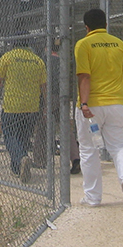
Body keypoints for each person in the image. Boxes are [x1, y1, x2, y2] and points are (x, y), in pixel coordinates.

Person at [74, 8, 123, 210]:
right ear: (106, 25)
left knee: (88, 150)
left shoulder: (84, 44)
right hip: (117, 104)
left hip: (92, 106)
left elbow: (84, 76)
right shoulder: (119, 44)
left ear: (86, 27)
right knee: (120, 146)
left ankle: (93, 197)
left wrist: (84, 103)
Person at [0, 36, 46, 183]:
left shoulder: (8, 57)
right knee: (23, 137)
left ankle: (21, 157)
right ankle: (17, 168)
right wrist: (45, 105)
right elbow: (44, 86)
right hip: (32, 107)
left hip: (12, 106)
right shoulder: (37, 60)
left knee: (10, 135)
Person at [33, 38, 81, 174]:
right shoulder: (62, 60)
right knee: (66, 128)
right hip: (63, 96)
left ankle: (39, 160)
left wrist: (43, 102)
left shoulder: (43, 60)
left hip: (48, 96)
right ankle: (75, 157)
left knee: (42, 128)